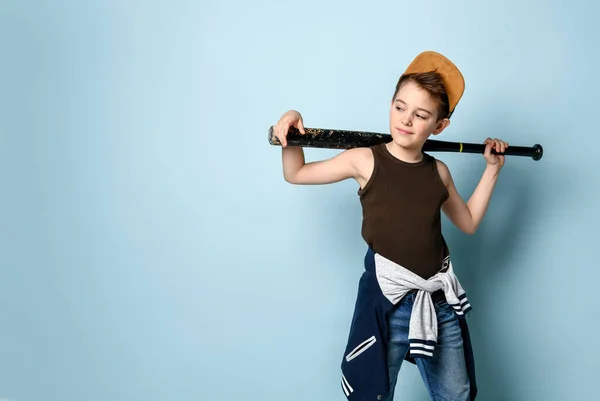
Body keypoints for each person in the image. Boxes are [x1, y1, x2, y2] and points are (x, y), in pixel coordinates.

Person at [272, 51, 507, 401]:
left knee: (456, 393)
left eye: (421, 115)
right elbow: (296, 173)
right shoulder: (365, 159)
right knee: (373, 393)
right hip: (388, 301)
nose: (406, 120)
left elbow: (468, 222)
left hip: (437, 301)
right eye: (400, 107)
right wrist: (292, 130)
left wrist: (492, 170)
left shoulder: (438, 171)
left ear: (439, 126)